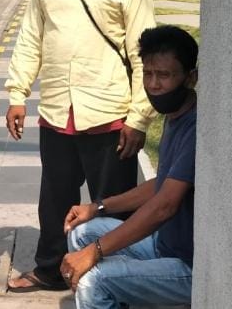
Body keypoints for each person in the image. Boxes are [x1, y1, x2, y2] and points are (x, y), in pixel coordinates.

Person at [5, 0, 156, 292]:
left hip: (110, 115)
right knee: (54, 198)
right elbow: (31, 39)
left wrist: (139, 118)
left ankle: (114, 278)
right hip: (57, 111)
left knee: (112, 204)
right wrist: (18, 94)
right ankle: (51, 269)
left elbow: (143, 55)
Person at [59, 25, 199, 308]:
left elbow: (164, 206)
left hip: (188, 267)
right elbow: (161, 184)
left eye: (164, 75)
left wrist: (95, 252)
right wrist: (97, 207)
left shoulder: (196, 126)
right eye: (148, 74)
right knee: (81, 231)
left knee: (93, 280)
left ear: (190, 78)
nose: (154, 85)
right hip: (163, 244)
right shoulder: (174, 116)